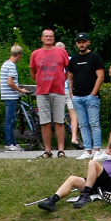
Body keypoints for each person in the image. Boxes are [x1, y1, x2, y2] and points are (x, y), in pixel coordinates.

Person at [36, 139, 111, 211]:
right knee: (72, 179)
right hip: (99, 185)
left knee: (93, 162)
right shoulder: (106, 162)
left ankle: (86, 194)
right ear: (109, 152)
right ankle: (52, 201)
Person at [30, 29, 70, 158]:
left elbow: (68, 69)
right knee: (45, 121)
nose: (48, 38)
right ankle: (47, 150)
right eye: (46, 36)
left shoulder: (61, 52)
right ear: (42, 38)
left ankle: (61, 149)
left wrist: (61, 79)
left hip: (58, 90)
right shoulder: (35, 54)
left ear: (54, 38)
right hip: (42, 91)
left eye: (51, 36)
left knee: (59, 120)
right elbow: (33, 72)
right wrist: (40, 81)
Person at [68, 33, 105, 161]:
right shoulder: (73, 60)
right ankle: (87, 150)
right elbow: (70, 77)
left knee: (94, 123)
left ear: (88, 42)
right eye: (79, 42)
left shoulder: (95, 58)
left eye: (83, 41)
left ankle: (97, 150)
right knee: (83, 124)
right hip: (77, 96)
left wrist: (93, 93)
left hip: (91, 96)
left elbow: (100, 76)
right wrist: (71, 93)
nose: (81, 44)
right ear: (76, 44)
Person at [0, 45, 28, 152]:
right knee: (10, 120)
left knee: (11, 120)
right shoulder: (11, 66)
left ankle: (13, 142)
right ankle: (9, 143)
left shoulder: (4, 64)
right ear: (19, 55)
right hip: (10, 96)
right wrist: (20, 90)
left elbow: (1, 81)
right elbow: (10, 82)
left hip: (6, 95)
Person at [56, 41, 80, 148]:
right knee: (73, 115)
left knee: (58, 116)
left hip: (59, 90)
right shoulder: (71, 59)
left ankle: (61, 141)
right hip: (70, 90)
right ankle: (74, 137)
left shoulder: (53, 61)